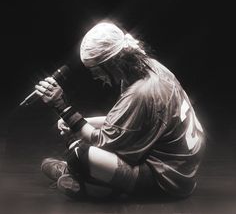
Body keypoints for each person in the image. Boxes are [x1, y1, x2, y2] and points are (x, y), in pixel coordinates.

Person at [35, 21, 205, 200]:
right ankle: (89, 178)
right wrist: (77, 120)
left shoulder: (141, 92)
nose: (94, 77)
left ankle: (86, 182)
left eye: (95, 69)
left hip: (167, 182)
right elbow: (126, 121)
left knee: (80, 154)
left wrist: (61, 106)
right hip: (181, 171)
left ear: (112, 62)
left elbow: (101, 141)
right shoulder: (149, 69)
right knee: (79, 139)